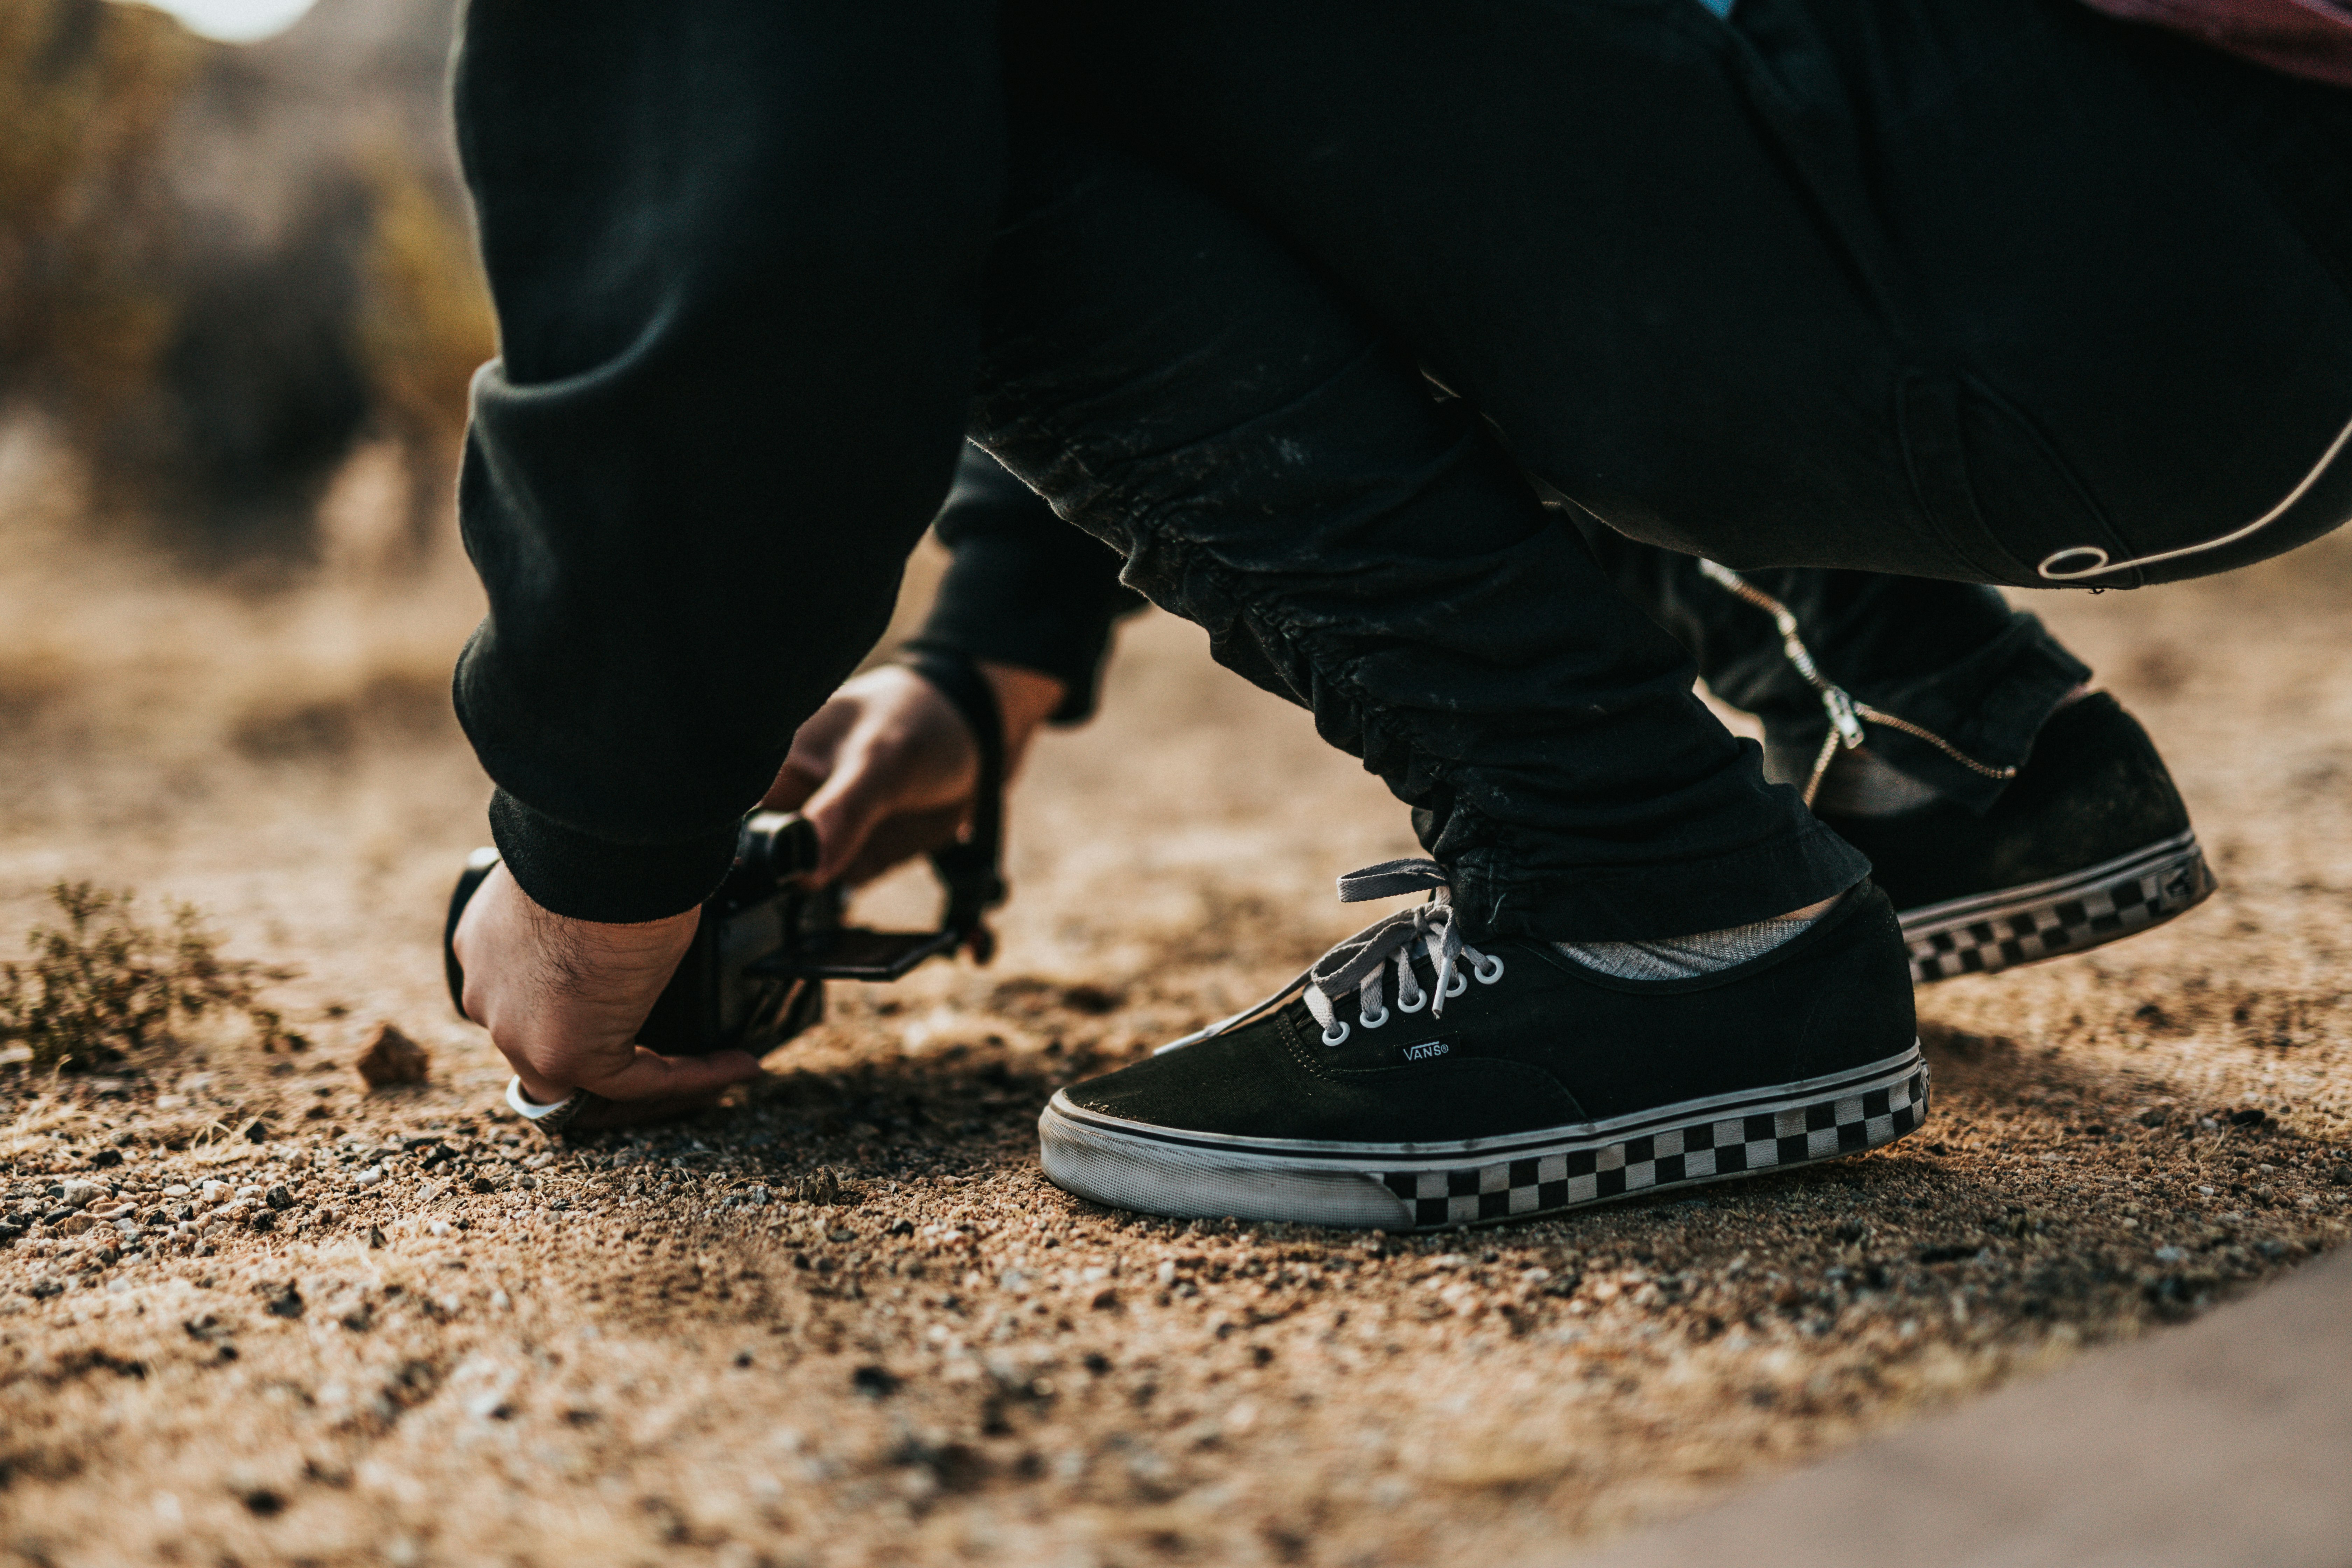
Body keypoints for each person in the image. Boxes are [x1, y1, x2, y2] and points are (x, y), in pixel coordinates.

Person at [448, 0, 2350, 1227]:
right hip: (2163, 251)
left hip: (2049, 238)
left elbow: (761, 171)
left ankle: (1644, 894)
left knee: (924, 63)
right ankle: (1933, 722)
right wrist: (990, 652)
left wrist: (596, 868)